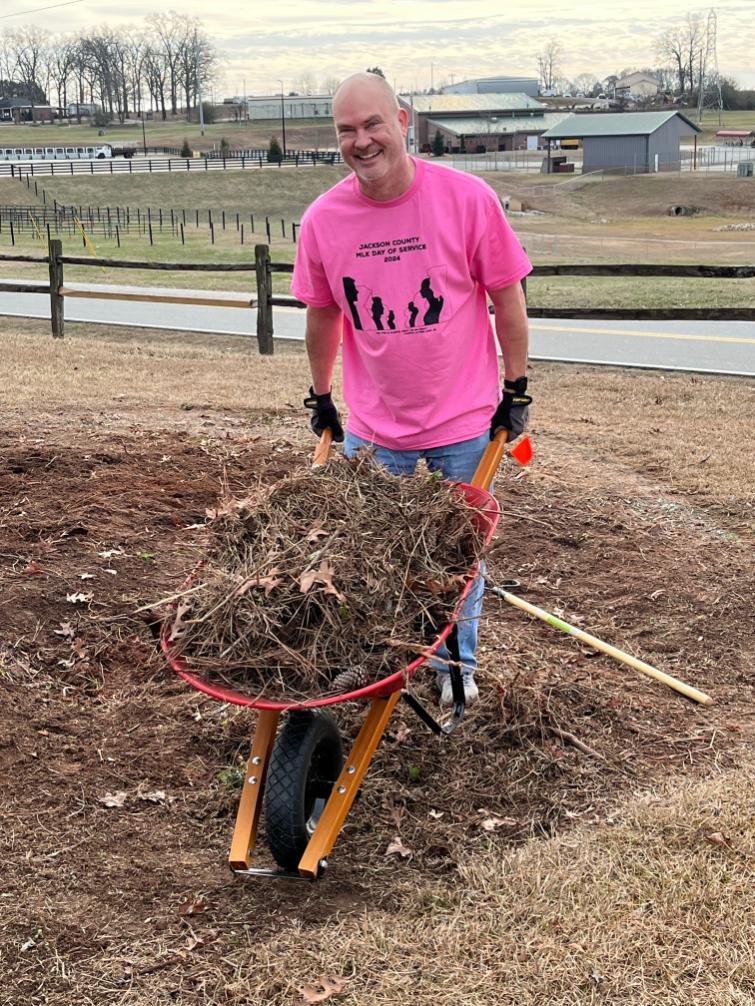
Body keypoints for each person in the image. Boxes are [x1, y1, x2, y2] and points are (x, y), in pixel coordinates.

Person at [292, 71, 532, 707]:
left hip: (463, 418)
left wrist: (518, 385)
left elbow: (506, 293)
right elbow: (322, 311)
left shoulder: (467, 198)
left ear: (403, 120)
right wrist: (321, 395)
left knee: (457, 557)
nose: (362, 140)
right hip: (376, 427)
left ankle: (456, 671)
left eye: (373, 124)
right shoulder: (322, 220)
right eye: (347, 130)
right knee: (366, 551)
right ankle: (375, 661)